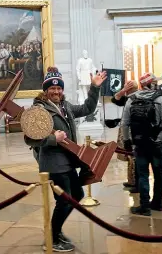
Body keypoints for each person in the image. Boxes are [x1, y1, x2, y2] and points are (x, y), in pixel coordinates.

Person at [24, 67, 107, 252]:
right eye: (52, 89)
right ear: (46, 90)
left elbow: (87, 108)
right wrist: (55, 139)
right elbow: (30, 138)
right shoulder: (39, 110)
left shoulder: (65, 106)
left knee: (76, 195)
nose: (56, 91)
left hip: (68, 161)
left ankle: (56, 231)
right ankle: (51, 238)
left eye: (59, 88)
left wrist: (94, 88)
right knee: (65, 199)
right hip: (53, 163)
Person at [121, 72, 162, 216]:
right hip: (157, 142)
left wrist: (127, 141)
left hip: (139, 143)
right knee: (159, 174)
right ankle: (158, 203)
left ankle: (144, 206)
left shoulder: (131, 99)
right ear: (152, 84)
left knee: (142, 175)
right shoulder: (160, 99)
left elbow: (124, 123)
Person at [111, 80, 139, 192]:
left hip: (133, 131)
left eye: (126, 87)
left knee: (133, 157)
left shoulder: (136, 97)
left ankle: (136, 183)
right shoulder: (128, 98)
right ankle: (131, 181)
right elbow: (115, 99)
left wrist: (124, 90)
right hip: (128, 130)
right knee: (130, 156)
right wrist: (124, 90)